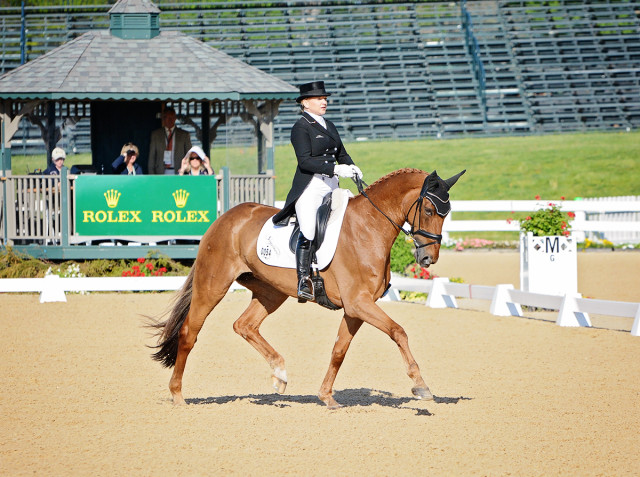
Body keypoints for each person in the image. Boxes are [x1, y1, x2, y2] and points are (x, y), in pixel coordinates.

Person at [272, 81, 362, 301]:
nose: (324, 101)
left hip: (332, 185)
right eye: (319, 98)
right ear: (305, 103)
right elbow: (305, 162)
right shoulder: (300, 127)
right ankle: (304, 279)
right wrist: (335, 168)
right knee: (310, 229)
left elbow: (341, 152)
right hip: (310, 186)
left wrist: (351, 166)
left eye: (325, 98)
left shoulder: (329, 125)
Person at [148, 106, 192, 175]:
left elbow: (189, 155)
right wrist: (151, 175)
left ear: (175, 118)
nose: (169, 120)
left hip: (179, 171)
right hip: (160, 172)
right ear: (163, 119)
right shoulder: (156, 134)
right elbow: (152, 156)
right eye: (167, 117)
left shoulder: (184, 135)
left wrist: (188, 171)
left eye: (172, 117)